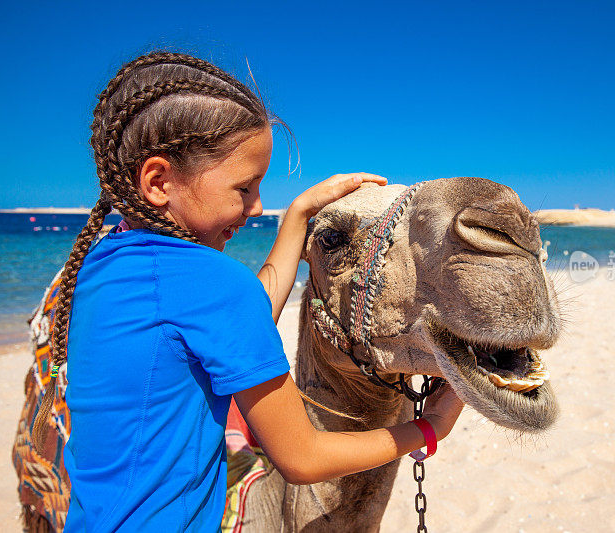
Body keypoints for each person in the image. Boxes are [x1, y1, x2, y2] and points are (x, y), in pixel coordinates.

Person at [31, 51, 464, 530]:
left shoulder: (103, 261)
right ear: (158, 181)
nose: (257, 207)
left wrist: (298, 214)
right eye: (245, 188)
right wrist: (430, 428)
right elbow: (303, 457)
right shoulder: (212, 283)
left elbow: (240, 317)